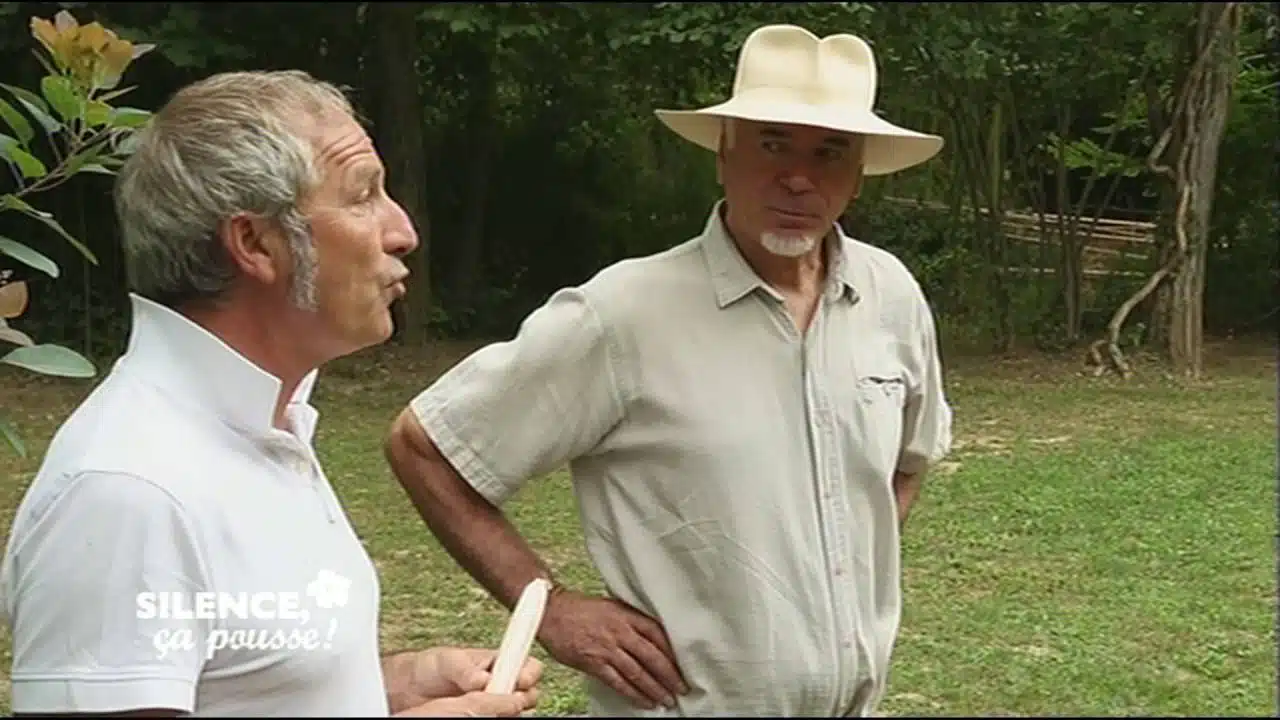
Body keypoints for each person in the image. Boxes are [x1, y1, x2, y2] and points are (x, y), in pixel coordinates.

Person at [384, 23, 953, 718]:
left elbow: (908, 460)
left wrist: (833, 564)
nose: (800, 176)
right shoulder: (623, 314)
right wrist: (556, 610)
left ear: (859, 173)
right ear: (724, 152)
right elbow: (427, 445)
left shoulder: (890, 294)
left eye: (830, 151)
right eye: (773, 143)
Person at [0, 70, 542, 717]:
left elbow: (232, 688)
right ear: (256, 243)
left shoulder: (264, 428)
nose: (402, 231)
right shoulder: (130, 490)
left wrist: (395, 684)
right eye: (363, 196)